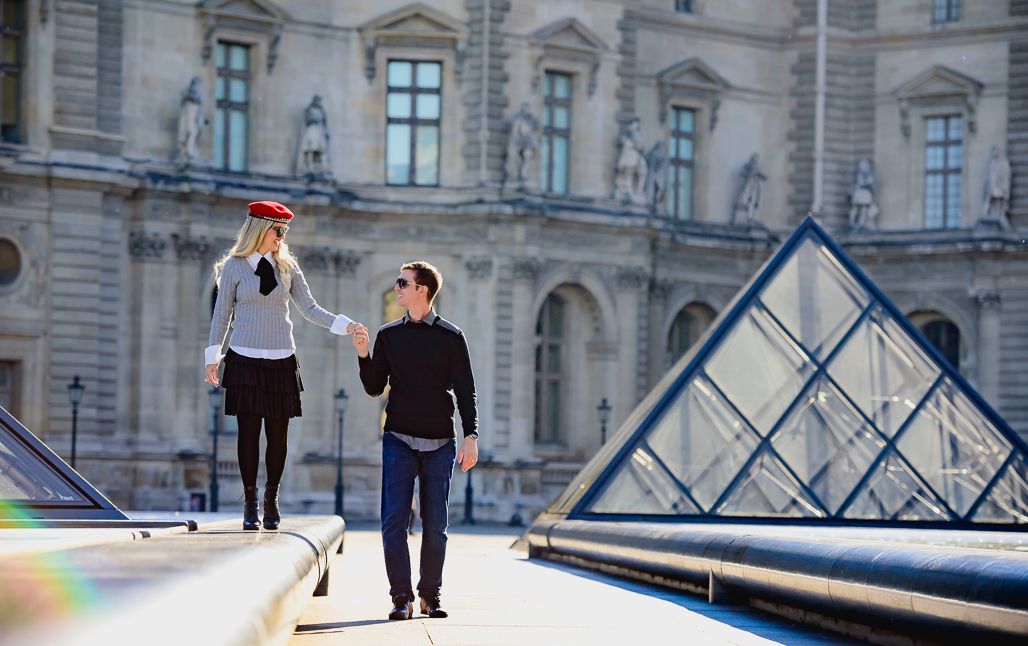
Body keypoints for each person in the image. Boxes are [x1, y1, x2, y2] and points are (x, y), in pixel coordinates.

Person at [204, 201, 366, 531]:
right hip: (244, 358)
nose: (282, 236)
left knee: (278, 437)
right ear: (261, 229)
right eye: (279, 230)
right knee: (248, 435)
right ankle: (250, 502)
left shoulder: (288, 267)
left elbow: (310, 309)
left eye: (285, 231)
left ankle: (270, 498)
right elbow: (222, 316)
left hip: (281, 360)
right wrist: (212, 358)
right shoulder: (234, 267)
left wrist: (345, 325)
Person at [352, 261, 479, 621]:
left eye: (403, 283)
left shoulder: (452, 337)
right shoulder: (388, 335)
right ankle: (401, 598)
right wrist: (364, 354)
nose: (397, 288)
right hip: (398, 439)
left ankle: (430, 596)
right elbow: (375, 387)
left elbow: (466, 392)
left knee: (435, 524)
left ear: (422, 290)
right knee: (394, 521)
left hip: (441, 441)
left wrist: (471, 435)